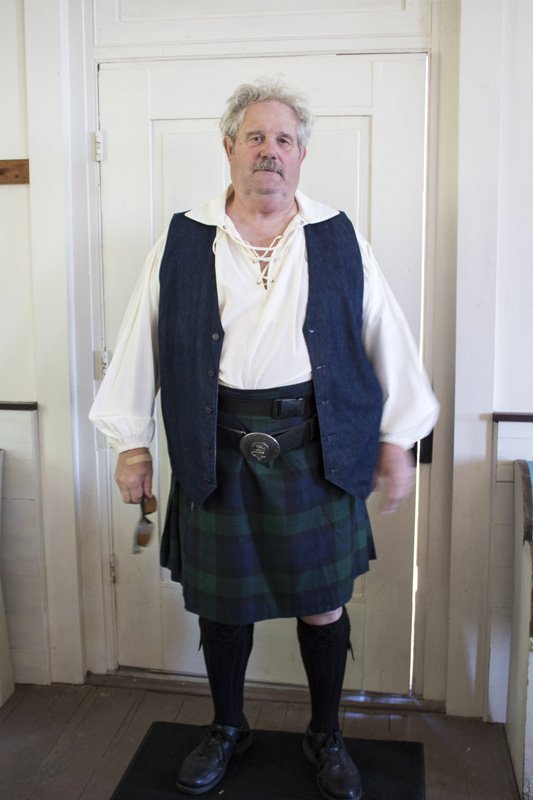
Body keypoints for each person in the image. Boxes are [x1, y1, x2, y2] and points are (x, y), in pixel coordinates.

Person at [90, 80, 439, 800]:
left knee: (323, 602)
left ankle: (326, 734)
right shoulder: (183, 238)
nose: (269, 152)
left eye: (284, 140)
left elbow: (386, 335)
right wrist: (131, 443)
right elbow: (141, 340)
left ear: (301, 155)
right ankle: (227, 727)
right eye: (255, 137)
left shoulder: (338, 237)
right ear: (229, 148)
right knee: (223, 604)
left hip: (315, 448)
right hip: (214, 448)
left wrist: (397, 437)